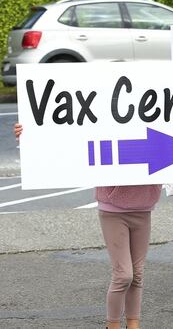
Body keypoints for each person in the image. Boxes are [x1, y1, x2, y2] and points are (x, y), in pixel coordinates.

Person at [14, 123, 160, 329]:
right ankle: (113, 325)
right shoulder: (104, 110)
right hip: (113, 209)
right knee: (124, 274)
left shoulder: (153, 109)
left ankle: (133, 323)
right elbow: (72, 137)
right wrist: (31, 139)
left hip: (144, 205)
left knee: (136, 274)